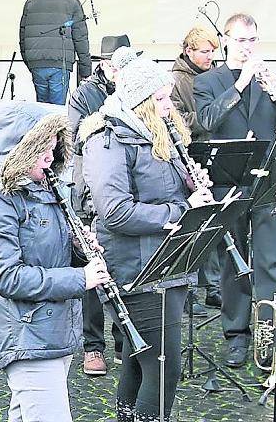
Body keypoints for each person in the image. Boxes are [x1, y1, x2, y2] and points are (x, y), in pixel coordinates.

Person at [82, 57, 212, 422]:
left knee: (139, 362)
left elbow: (162, 191)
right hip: (136, 268)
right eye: (160, 98)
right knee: (163, 366)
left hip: (166, 260)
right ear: (140, 101)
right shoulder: (107, 140)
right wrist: (182, 210)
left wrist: (191, 186)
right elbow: (115, 212)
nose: (169, 105)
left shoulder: (154, 133)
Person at [0, 102, 110, 422]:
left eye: (52, 146)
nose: (50, 155)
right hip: (26, 330)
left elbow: (48, 249)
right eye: (41, 148)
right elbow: (8, 277)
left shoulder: (43, 186)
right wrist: (81, 278)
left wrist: (78, 247)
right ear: (17, 151)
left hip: (53, 327)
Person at [193, 13, 276, 368]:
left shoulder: (268, 79)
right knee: (233, 261)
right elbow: (207, 120)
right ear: (226, 41)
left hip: (268, 182)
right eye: (240, 40)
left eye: (252, 39)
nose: (247, 46)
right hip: (229, 182)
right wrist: (240, 84)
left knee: (272, 262)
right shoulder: (208, 81)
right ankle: (236, 335)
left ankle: (272, 337)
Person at [69, 35, 138, 376]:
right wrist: (111, 114)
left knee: (124, 269)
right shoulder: (83, 94)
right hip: (90, 189)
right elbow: (75, 139)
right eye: (114, 64)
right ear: (105, 64)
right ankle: (92, 346)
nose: (118, 70)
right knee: (92, 274)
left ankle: (125, 342)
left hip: (125, 187)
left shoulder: (134, 88)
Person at [170, 27, 223, 315]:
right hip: (190, 155)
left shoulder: (214, 76)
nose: (209, 56)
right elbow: (177, 119)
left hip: (213, 155)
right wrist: (208, 116)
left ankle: (214, 287)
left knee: (213, 222)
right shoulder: (176, 80)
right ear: (188, 51)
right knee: (191, 226)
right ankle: (188, 292)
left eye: (212, 51)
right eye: (204, 51)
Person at [19, 0, 91, 105]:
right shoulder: (72, 3)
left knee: (42, 107)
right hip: (60, 62)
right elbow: (81, 38)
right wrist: (85, 69)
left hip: (37, 63)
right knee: (57, 109)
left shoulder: (30, 3)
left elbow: (22, 36)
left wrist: (29, 61)